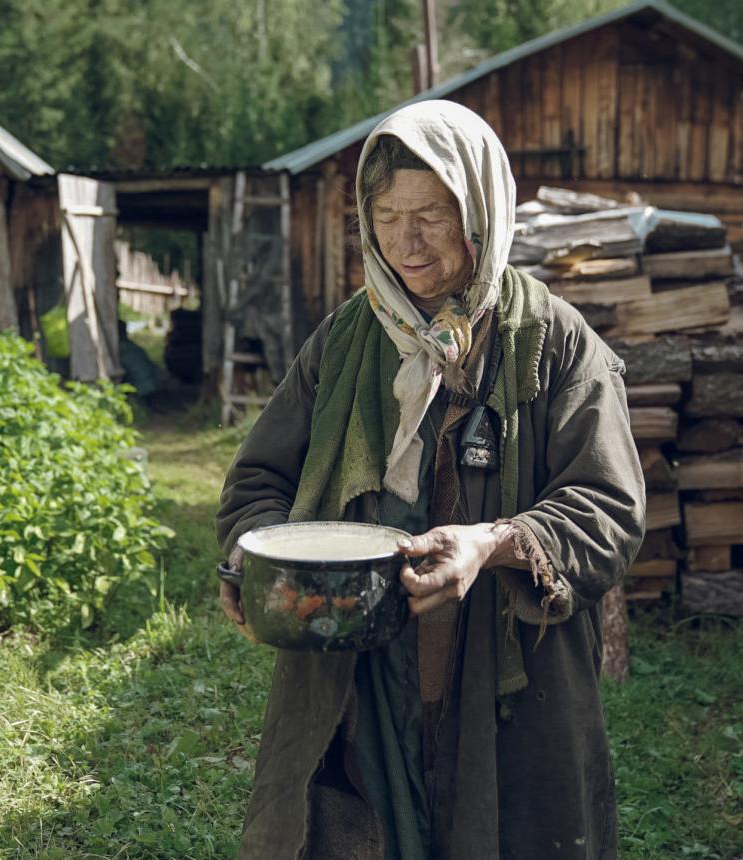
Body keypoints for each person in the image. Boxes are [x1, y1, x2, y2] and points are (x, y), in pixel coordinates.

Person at [214, 100, 646, 859]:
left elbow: (607, 510)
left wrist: (492, 543)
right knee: (351, 823)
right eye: (386, 215)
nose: (405, 243)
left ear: (480, 211)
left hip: (507, 680)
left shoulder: (555, 342)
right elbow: (260, 478)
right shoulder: (348, 339)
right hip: (357, 675)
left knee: (507, 829)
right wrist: (249, 558)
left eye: (432, 216)